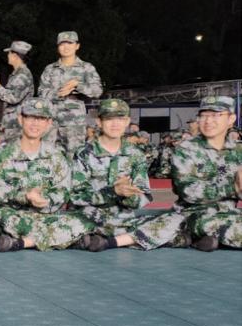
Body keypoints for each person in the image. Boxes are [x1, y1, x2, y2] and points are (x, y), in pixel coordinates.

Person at [69, 99, 186, 251]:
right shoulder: (84, 153)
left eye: (120, 119)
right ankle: (152, 238)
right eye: (109, 119)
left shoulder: (135, 154)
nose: (115, 124)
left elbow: (144, 196)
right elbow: (76, 197)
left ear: (127, 122)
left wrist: (129, 196)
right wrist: (112, 192)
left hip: (125, 217)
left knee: (177, 219)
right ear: (99, 122)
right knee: (66, 224)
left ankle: (109, 241)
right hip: (90, 216)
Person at [0, 99, 94, 251]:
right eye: (30, 117)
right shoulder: (3, 154)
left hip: (48, 215)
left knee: (84, 219)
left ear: (48, 123)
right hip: (16, 214)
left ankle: (24, 242)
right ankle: (63, 238)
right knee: (2, 217)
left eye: (41, 118)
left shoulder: (56, 156)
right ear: (20, 119)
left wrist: (45, 201)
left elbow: (63, 191)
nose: (35, 123)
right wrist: (25, 196)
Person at [170, 96, 242, 251]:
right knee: (228, 227)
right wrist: (233, 188)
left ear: (231, 119)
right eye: (203, 115)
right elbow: (188, 191)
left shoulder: (238, 151)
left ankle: (206, 239)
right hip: (194, 215)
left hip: (231, 213)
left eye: (216, 115)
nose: (208, 121)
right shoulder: (185, 150)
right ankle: (194, 236)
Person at [37, 31, 103, 154]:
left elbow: (97, 91)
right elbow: (41, 92)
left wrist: (78, 85)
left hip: (74, 123)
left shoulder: (86, 68)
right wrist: (58, 93)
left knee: (74, 156)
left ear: (77, 46)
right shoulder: (50, 69)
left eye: (70, 43)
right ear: (58, 47)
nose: (66, 47)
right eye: (62, 44)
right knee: (48, 155)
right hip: (51, 121)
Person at [0, 40, 34, 141]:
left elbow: (13, 98)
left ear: (15, 55)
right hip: (13, 123)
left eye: (9, 53)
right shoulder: (17, 74)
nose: (8, 56)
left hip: (17, 125)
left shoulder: (22, 75)